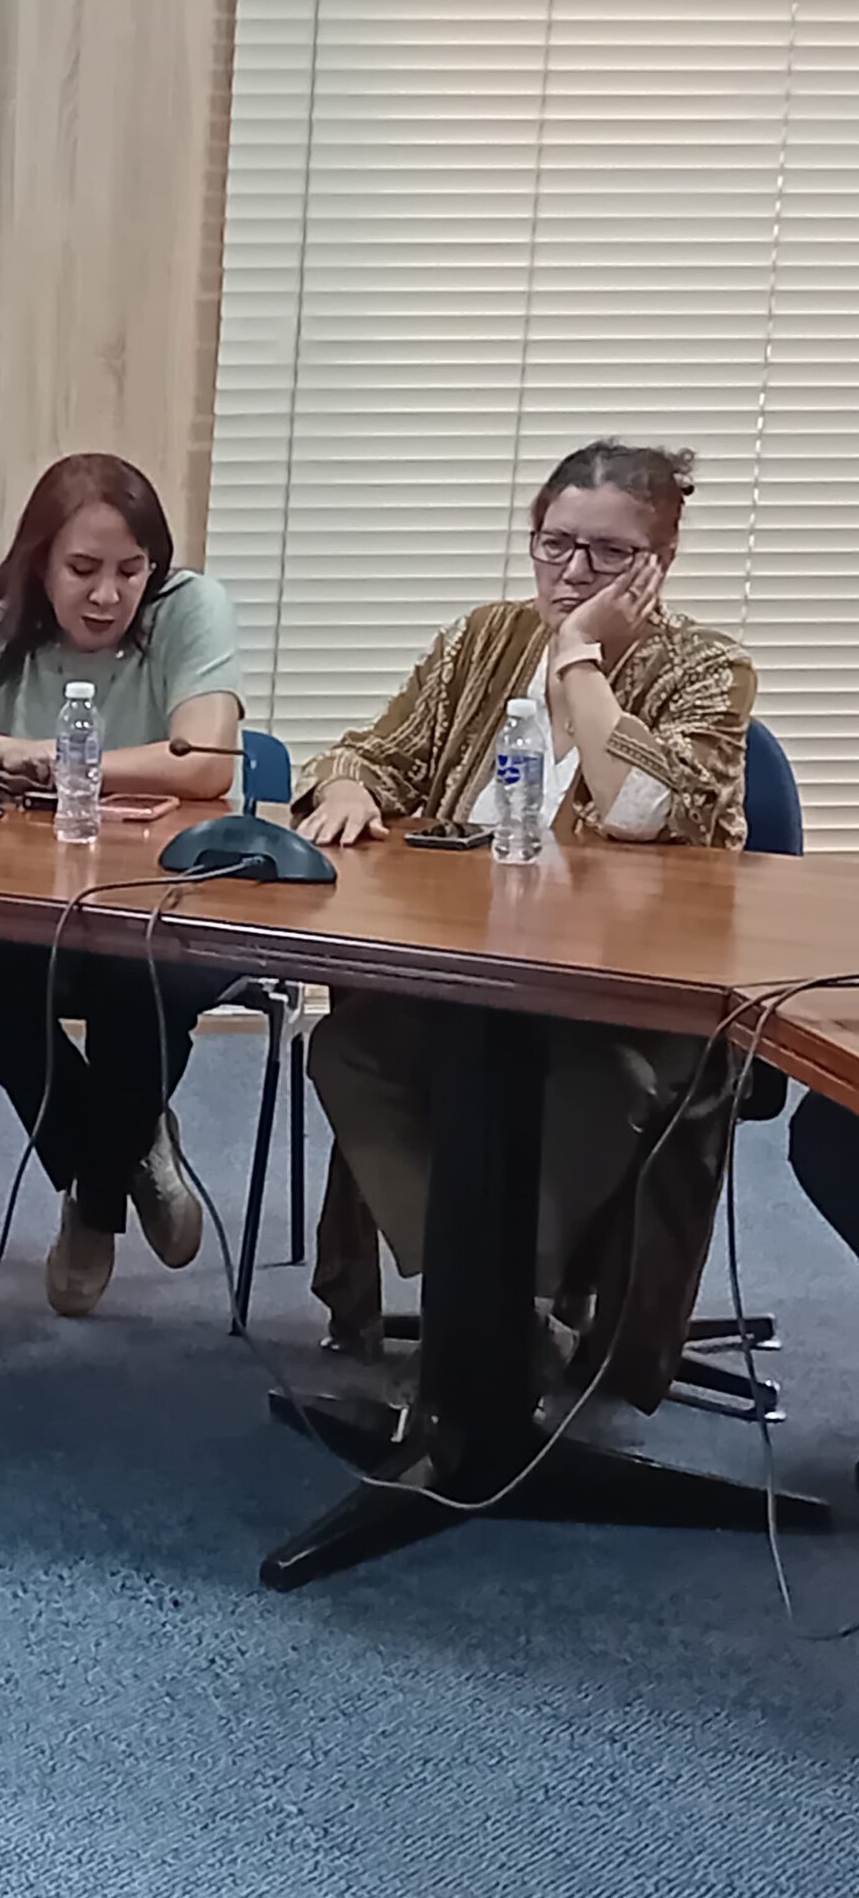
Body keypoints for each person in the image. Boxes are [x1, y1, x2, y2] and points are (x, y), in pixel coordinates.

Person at [293, 441, 755, 1405]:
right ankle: (503, 1315)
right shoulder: (484, 641)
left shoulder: (709, 671)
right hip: (471, 978)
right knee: (349, 1052)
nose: (574, 571)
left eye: (610, 553)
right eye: (556, 544)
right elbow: (377, 751)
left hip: (625, 1002)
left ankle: (500, 1318)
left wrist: (580, 655)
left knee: (593, 1083)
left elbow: (641, 809)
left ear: (661, 562)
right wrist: (346, 786)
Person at [0, 454, 243, 1316]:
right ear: (40, 562)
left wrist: (34, 753)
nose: (108, 595)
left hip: (170, 900)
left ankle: (92, 1204)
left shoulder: (188, 607)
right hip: (31, 904)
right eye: (82, 569)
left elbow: (208, 761)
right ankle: (122, 1151)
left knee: (135, 987)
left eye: (129, 570)